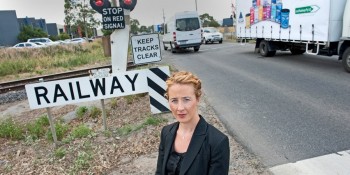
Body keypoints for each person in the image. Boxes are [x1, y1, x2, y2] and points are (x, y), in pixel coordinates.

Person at [156, 71, 230, 175]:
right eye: (174, 100)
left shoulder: (217, 142)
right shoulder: (166, 132)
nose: (180, 108)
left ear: (198, 98)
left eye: (186, 99)